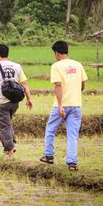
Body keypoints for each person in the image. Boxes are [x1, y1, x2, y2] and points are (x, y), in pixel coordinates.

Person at [40, 41, 88, 171]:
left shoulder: (56, 66)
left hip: (61, 105)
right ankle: (72, 162)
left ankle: (49, 155)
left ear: (56, 53)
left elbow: (58, 85)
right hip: (76, 104)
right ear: (67, 51)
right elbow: (82, 84)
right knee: (72, 134)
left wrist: (60, 105)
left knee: (51, 129)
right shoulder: (78, 65)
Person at [0, 44, 33, 159]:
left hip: (2, 102)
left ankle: (10, 150)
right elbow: (24, 84)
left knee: (3, 127)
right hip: (14, 102)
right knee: (7, 123)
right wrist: (29, 98)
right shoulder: (16, 66)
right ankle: (11, 143)